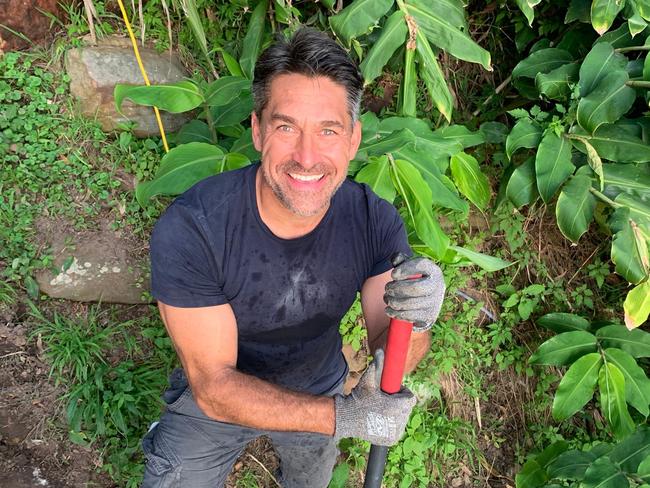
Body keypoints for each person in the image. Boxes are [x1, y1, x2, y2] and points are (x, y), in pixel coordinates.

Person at [142, 27, 446, 488]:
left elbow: (392, 347)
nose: (307, 157)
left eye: (328, 130)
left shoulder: (373, 222)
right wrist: (341, 417)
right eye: (287, 127)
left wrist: (417, 321)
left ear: (353, 139)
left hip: (318, 384)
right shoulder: (194, 229)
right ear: (258, 131)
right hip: (215, 401)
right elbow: (214, 386)